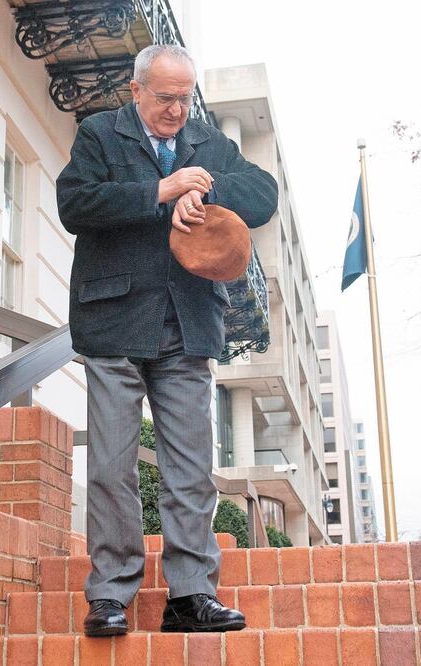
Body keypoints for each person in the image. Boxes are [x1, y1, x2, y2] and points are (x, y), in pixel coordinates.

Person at [56, 44, 278, 637]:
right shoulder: (100, 134)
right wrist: (160, 191)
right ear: (136, 91)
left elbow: (264, 193)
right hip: (114, 322)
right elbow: (75, 203)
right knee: (110, 466)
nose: (177, 110)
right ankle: (109, 594)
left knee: (191, 470)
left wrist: (202, 193)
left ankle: (191, 595)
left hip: (188, 324)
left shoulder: (209, 143)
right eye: (164, 98)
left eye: (185, 98)